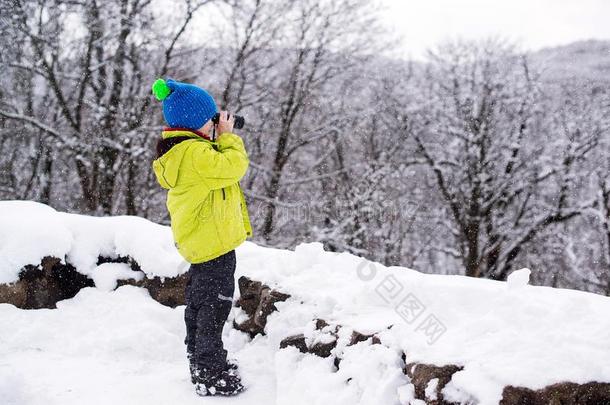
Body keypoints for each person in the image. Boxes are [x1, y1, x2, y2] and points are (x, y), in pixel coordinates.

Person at [150, 78, 252, 396]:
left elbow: (219, 167)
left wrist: (216, 136)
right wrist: (229, 137)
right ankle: (210, 374)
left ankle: (201, 360)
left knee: (199, 304)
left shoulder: (184, 151)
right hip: (214, 246)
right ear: (198, 122)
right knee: (214, 307)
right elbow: (234, 167)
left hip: (202, 243)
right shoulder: (197, 154)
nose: (216, 124)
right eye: (212, 119)